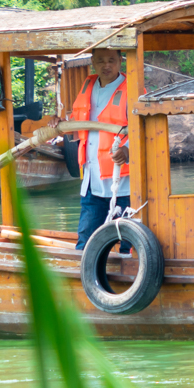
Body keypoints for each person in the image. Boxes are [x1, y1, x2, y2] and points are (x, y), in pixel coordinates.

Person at [69, 47, 130, 248]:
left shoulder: (133, 88)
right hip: (91, 177)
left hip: (122, 181)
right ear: (93, 62)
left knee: (127, 239)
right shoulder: (88, 84)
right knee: (86, 239)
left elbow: (145, 129)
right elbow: (75, 121)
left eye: (111, 60)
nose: (107, 65)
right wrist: (59, 122)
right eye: (101, 60)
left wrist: (127, 149)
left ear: (121, 61)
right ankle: (82, 275)